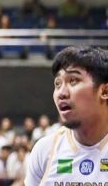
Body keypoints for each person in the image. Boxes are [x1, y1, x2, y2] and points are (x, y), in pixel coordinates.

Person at [25, 46, 108, 185]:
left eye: (73, 81)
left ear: (104, 91)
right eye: (57, 84)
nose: (61, 93)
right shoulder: (45, 151)